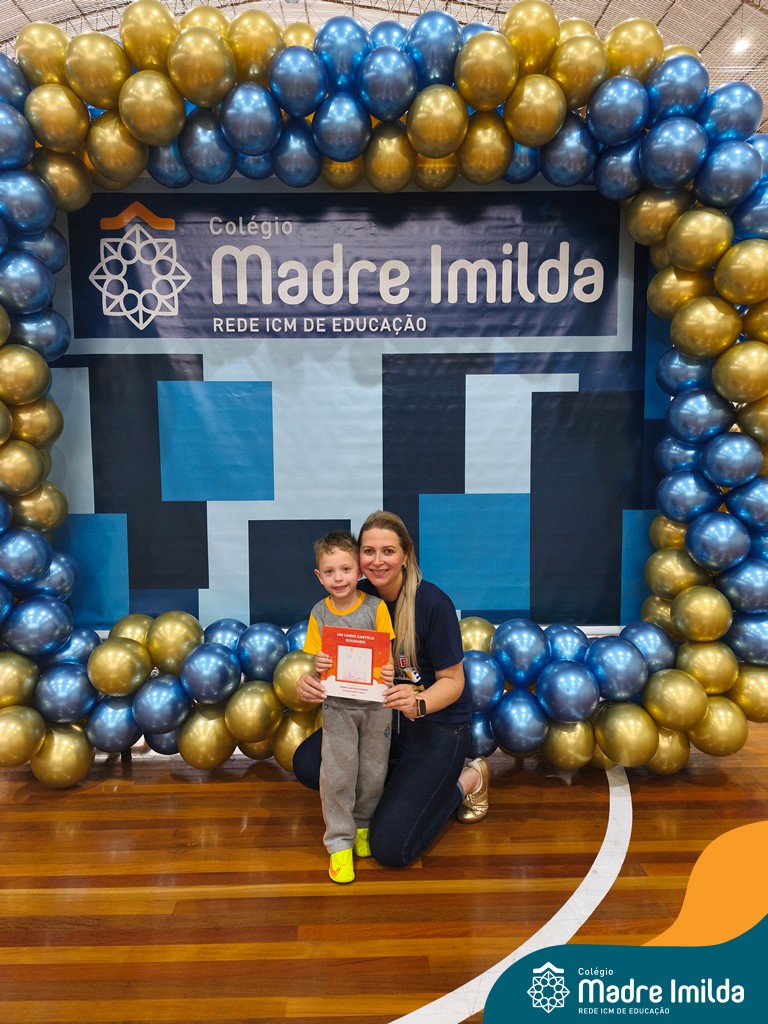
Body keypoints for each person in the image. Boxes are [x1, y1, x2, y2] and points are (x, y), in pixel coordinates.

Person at [294, 511, 490, 869]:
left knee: (391, 848)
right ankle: (400, 786)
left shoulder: (433, 604)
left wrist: (418, 702)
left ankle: (468, 778)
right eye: (368, 551)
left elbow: (454, 682)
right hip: (380, 721)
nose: (377, 560)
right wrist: (312, 679)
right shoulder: (356, 597)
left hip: (435, 725)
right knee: (307, 763)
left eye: (388, 551)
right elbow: (334, 661)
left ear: (406, 555)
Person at [303, 530, 396, 884]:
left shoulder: (376, 608)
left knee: (373, 772)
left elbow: (387, 658)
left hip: (376, 708)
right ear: (319, 576)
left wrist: (389, 672)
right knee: (338, 774)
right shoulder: (319, 613)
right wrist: (318, 663)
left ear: (359, 570)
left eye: (345, 569)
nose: (338, 578)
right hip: (338, 708)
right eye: (330, 572)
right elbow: (315, 661)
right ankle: (339, 843)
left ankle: (362, 826)